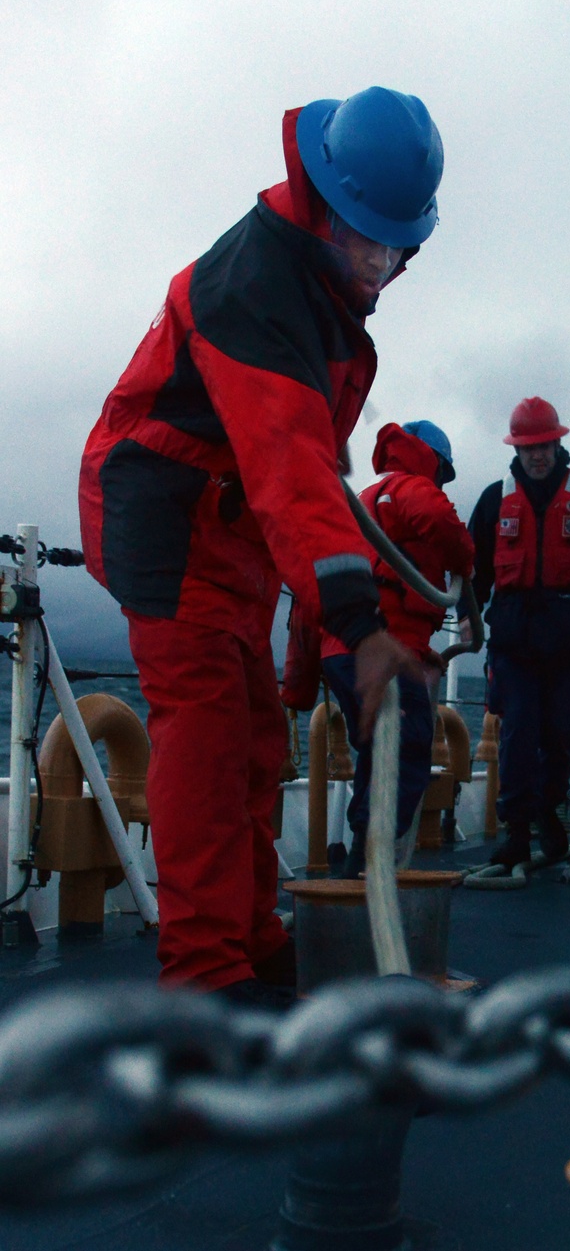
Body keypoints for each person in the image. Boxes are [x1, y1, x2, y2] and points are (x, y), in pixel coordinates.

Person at [78, 88, 443, 1001]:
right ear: (322, 202)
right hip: (171, 520)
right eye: (367, 236)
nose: (380, 262)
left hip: (229, 528)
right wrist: (361, 627)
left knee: (252, 741)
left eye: (398, 246)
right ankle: (204, 974)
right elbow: (289, 464)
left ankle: (251, 935)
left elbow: (296, 468)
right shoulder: (252, 289)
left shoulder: (315, 291)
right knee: (203, 741)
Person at [462, 397, 570, 870]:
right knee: (517, 732)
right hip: (514, 643)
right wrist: (467, 614)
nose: (537, 455)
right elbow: (472, 571)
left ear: (559, 444)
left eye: (545, 445)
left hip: (568, 643)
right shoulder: (494, 499)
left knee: (561, 735)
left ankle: (549, 809)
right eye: (528, 448)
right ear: (516, 450)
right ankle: (517, 832)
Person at [308, 420, 475, 878]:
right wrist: (465, 558)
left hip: (344, 650)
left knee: (384, 746)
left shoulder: (365, 498)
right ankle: (368, 858)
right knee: (408, 744)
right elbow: (439, 522)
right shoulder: (409, 489)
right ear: (435, 463)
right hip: (376, 649)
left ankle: (362, 853)